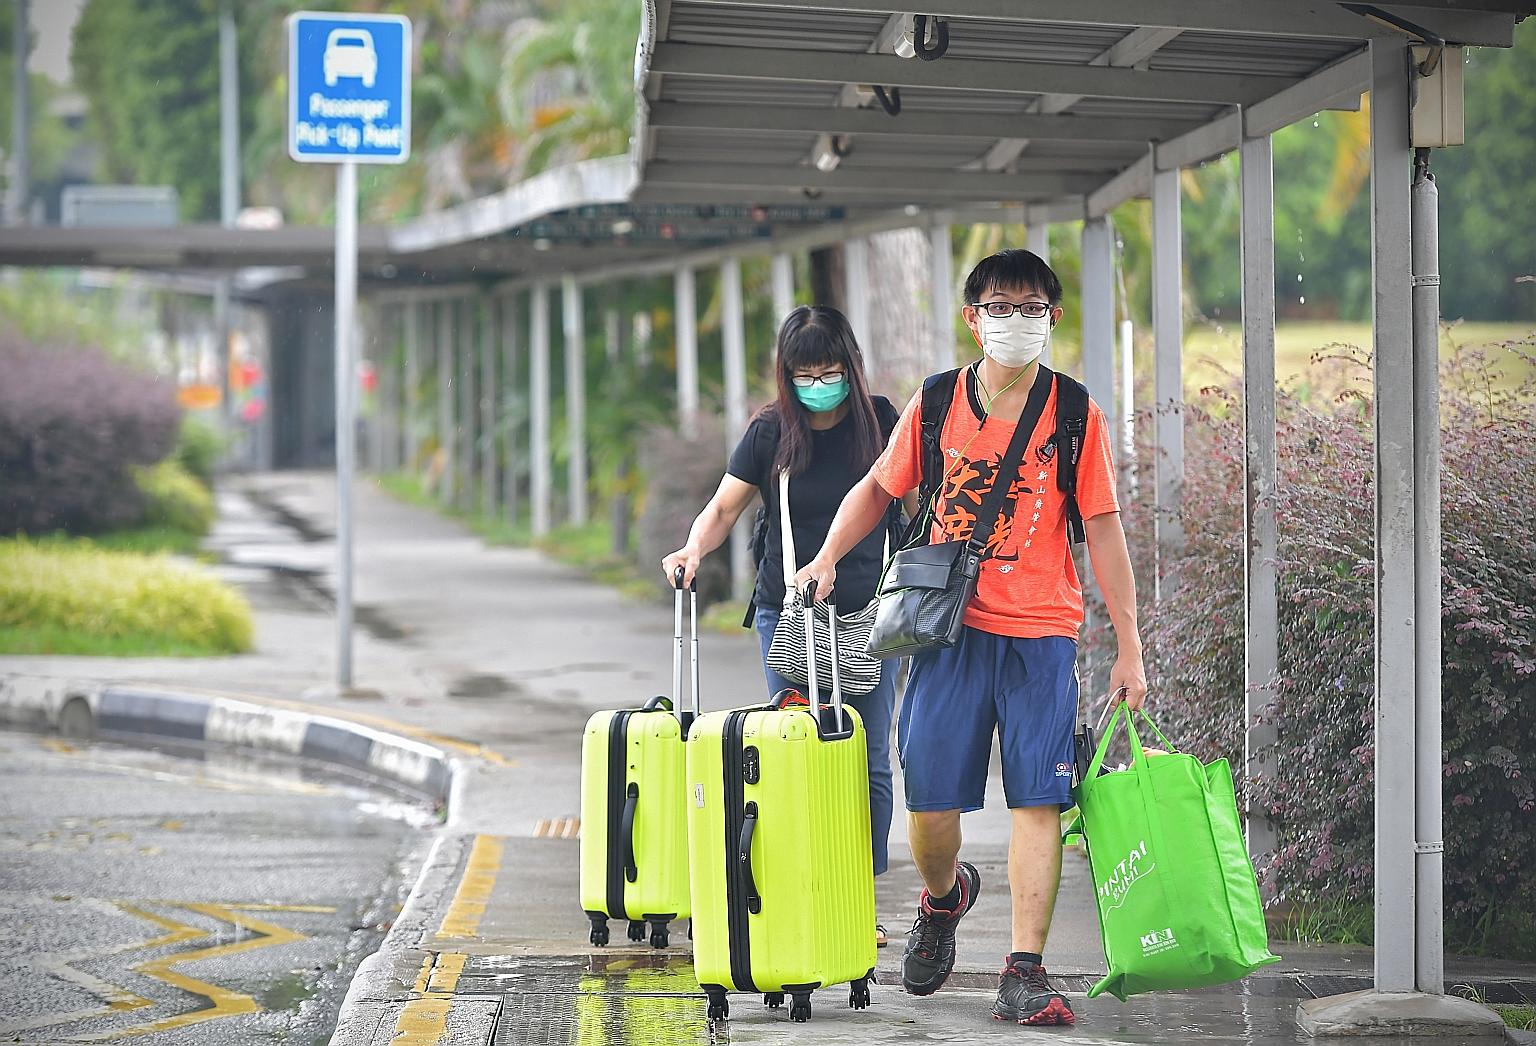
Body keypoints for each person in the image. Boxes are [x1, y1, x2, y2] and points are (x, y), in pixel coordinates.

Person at [794, 249, 1148, 1026]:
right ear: (972, 316)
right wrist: (823, 558)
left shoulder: (1076, 413)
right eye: (999, 306)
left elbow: (1105, 531)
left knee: (1038, 801)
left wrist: (1130, 645)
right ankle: (944, 899)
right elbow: (877, 489)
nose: (1014, 320)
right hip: (945, 631)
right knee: (929, 806)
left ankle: (1024, 968)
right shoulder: (936, 404)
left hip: (1042, 635)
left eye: (1030, 308)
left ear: (1053, 318)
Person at [662, 305, 904, 895]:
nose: (819, 386)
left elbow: (922, 495)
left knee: (867, 761)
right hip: (789, 613)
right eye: (806, 375)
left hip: (870, 610)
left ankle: (856, 894)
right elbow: (723, 508)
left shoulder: (881, 421)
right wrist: (692, 550)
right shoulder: (772, 430)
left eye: (830, 372)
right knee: (795, 747)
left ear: (852, 367)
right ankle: (808, 886)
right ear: (787, 375)